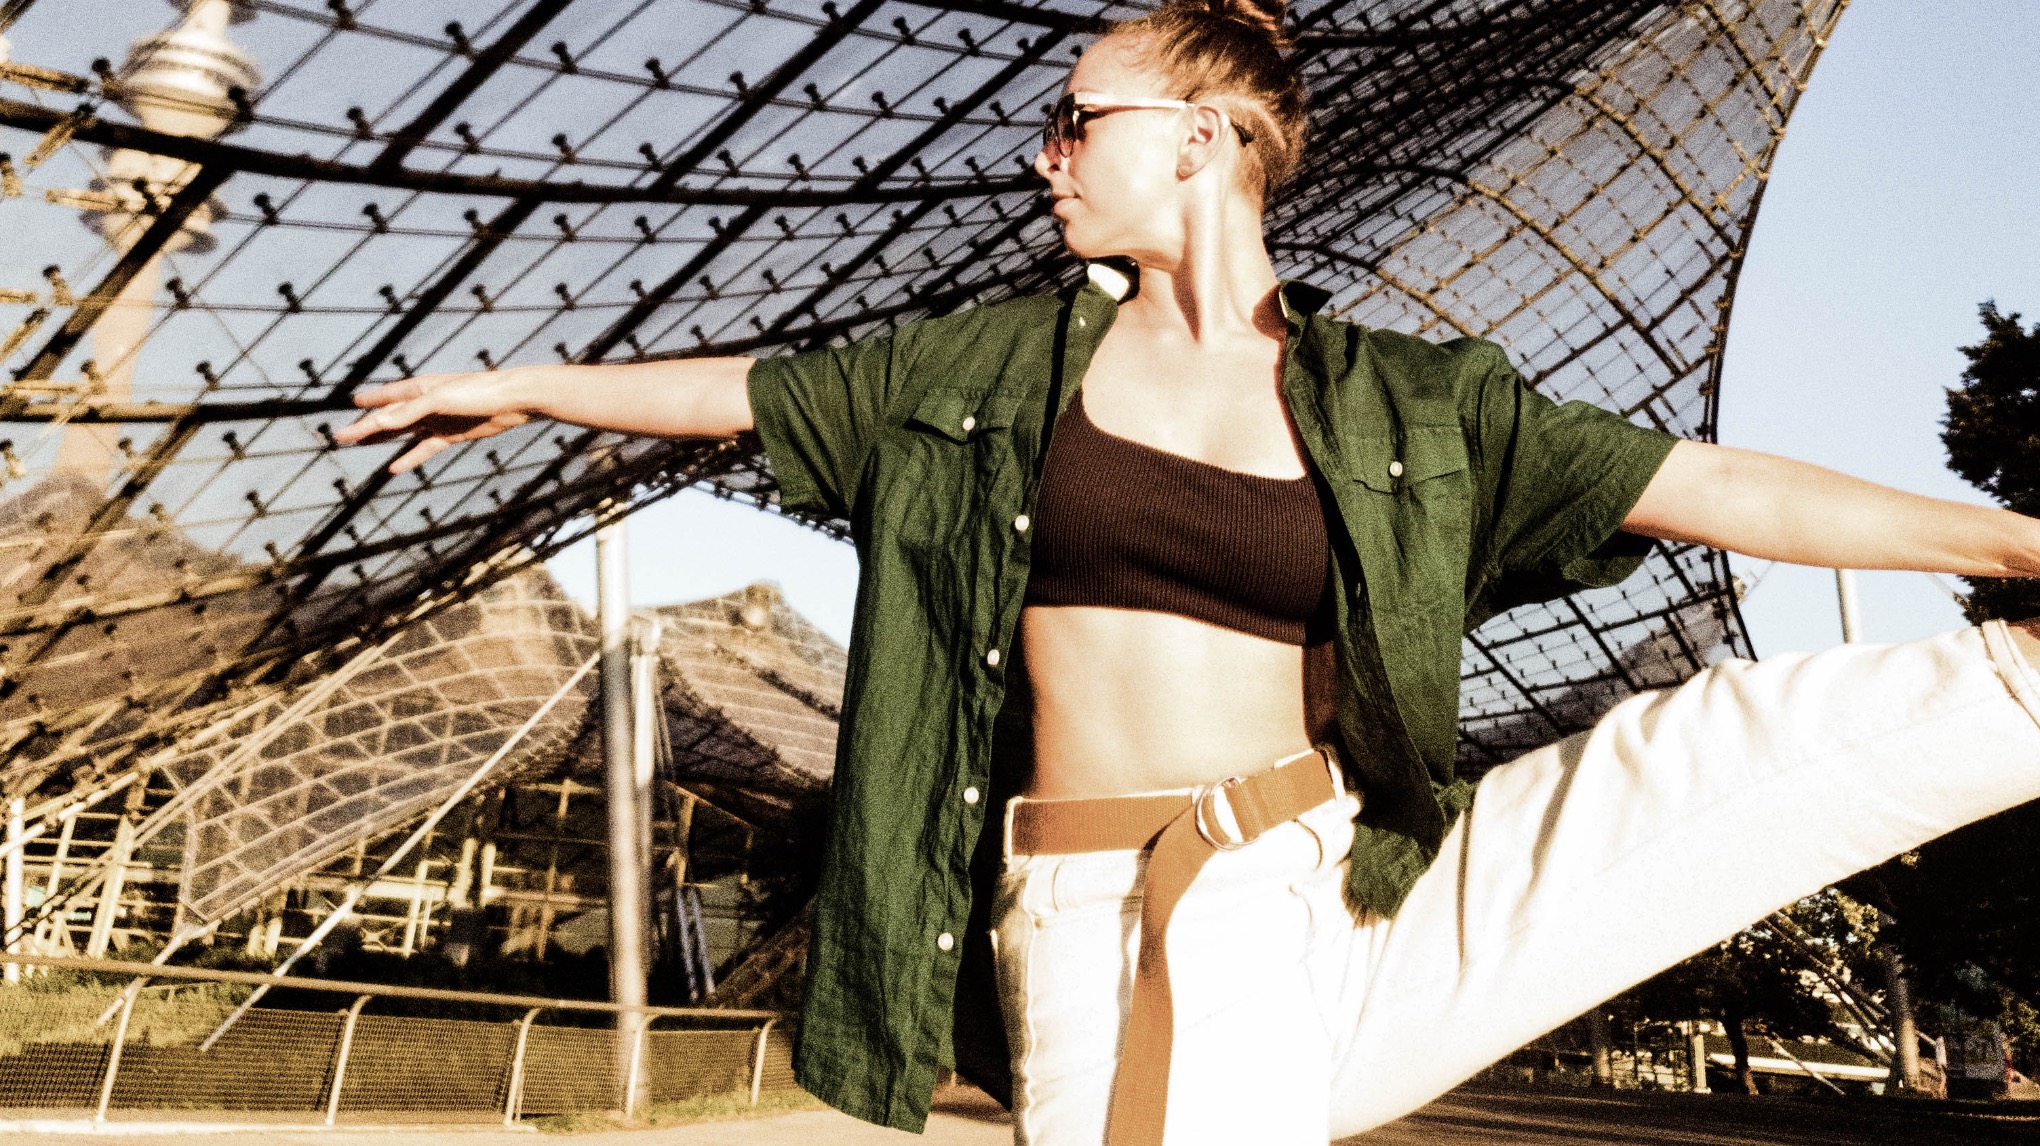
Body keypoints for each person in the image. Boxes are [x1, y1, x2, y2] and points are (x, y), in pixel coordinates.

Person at [335, 0, 2040, 1140]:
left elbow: (1710, 485)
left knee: (1715, 744)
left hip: (1356, 877)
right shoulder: (988, 371)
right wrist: (528, 386)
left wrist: (2019, 544)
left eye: (1078, 119)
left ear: (1204, 140)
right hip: (1131, 919)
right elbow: (757, 392)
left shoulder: (1404, 402)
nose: (1046, 151)